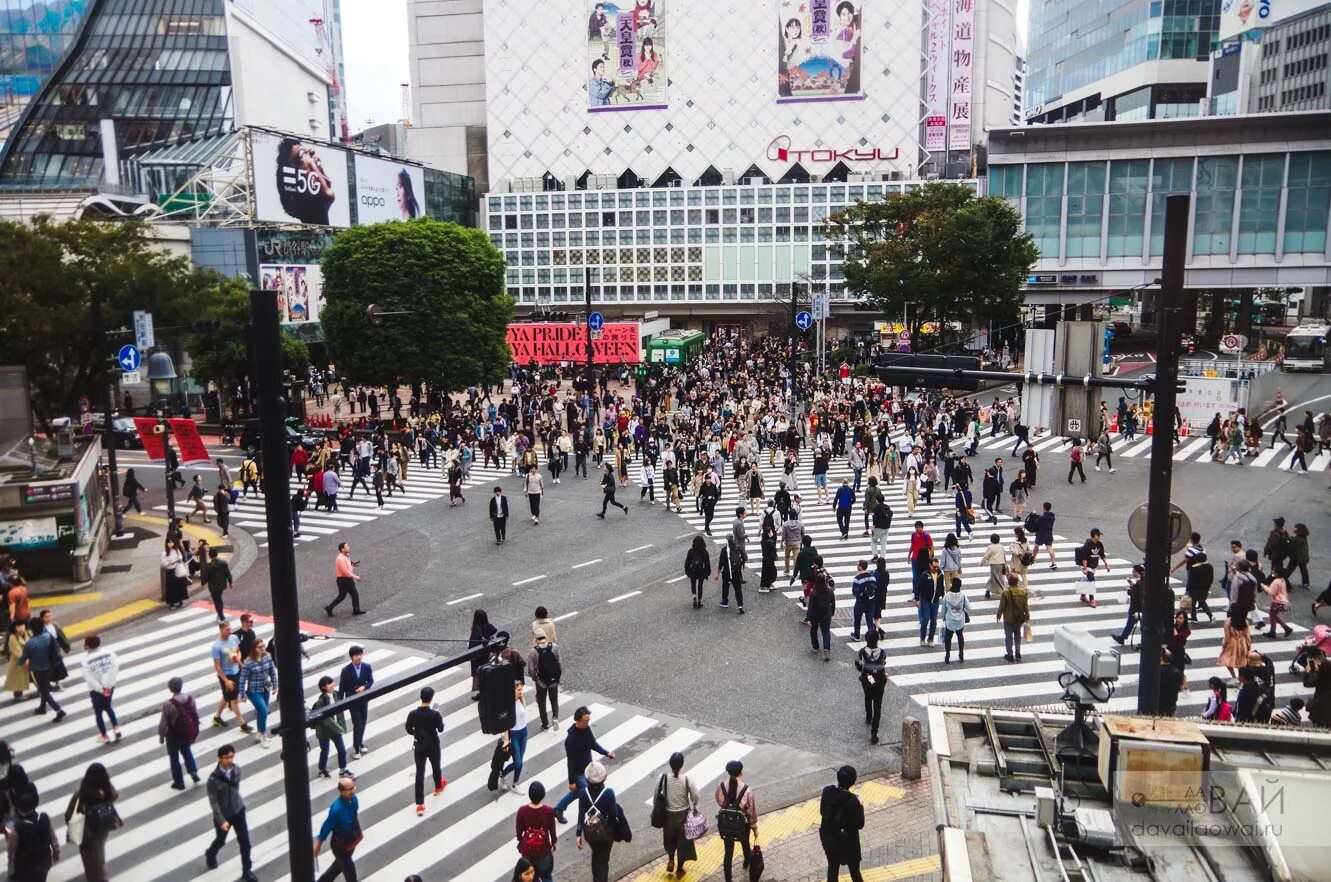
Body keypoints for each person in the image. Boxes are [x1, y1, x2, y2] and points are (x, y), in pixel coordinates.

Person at [554, 706, 616, 823]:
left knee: (578, 793)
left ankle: (558, 809)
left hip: (588, 770)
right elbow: (570, 762)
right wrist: (572, 781)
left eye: (588, 720)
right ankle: (590, 820)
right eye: (585, 721)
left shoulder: (586, 730)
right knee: (587, 797)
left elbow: (593, 744)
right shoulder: (571, 739)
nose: (587, 723)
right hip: (579, 773)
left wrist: (606, 752)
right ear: (577, 721)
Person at [205, 745, 256, 882]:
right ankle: (210, 853)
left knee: (245, 842)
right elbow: (213, 801)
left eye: (232, 756)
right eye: (227, 757)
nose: (230, 760)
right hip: (224, 815)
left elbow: (235, 790)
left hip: (238, 810)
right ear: (219, 758)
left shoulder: (237, 770)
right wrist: (221, 820)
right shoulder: (213, 779)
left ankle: (247, 870)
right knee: (221, 840)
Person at [65, 762, 117, 882]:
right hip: (103, 827)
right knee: (100, 847)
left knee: (90, 857)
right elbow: (115, 795)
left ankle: (96, 874)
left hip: (86, 832)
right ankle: (99, 865)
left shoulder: (82, 794)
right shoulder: (106, 790)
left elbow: (69, 814)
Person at [656, 751, 699, 877]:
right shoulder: (687, 779)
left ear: (670, 764)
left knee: (669, 839)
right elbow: (695, 796)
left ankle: (670, 859)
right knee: (683, 843)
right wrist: (694, 805)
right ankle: (679, 869)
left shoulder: (663, 778)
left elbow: (656, 795)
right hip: (683, 816)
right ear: (682, 765)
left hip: (668, 815)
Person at [820, 765, 866, 882]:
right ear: (853, 781)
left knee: (833, 867)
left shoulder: (827, 791)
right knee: (854, 871)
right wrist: (860, 805)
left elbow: (822, 812)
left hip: (829, 837)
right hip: (848, 841)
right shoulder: (853, 801)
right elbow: (860, 824)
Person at [714, 760, 757, 882]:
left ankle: (728, 878)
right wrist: (754, 826)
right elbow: (751, 810)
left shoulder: (721, 786)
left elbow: (719, 800)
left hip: (726, 824)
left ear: (728, 772)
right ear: (741, 772)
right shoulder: (747, 790)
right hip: (742, 825)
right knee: (745, 843)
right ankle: (746, 862)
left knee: (728, 851)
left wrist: (727, 808)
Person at [575, 761, 619, 882]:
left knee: (596, 855)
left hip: (590, 833)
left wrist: (578, 834)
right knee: (603, 862)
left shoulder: (583, 793)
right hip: (606, 833)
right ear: (604, 777)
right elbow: (614, 814)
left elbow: (581, 813)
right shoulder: (609, 793)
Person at [406, 686, 446, 815]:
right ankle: (438, 786)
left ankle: (420, 804)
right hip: (433, 745)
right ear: (431, 699)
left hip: (419, 746)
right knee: (436, 766)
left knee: (420, 773)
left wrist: (416, 734)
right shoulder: (434, 714)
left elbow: (408, 728)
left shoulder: (413, 714)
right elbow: (441, 729)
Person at [313, 776, 361, 882]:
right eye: (350, 789)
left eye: (353, 787)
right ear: (341, 791)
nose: (353, 791)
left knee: (338, 866)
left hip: (351, 840)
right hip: (340, 845)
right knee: (349, 871)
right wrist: (318, 845)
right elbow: (326, 827)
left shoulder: (354, 799)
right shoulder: (336, 810)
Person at [6, 790, 58, 882]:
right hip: (44, 861)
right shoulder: (44, 818)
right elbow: (53, 839)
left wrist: (11, 868)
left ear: (20, 810)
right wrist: (56, 854)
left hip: (26, 867)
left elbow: (11, 851)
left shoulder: (17, 828)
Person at [18, 616, 64, 720]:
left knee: (44, 691)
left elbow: (23, 658)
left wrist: (18, 665)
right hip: (50, 666)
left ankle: (59, 710)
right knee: (44, 688)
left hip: (38, 670)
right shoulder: (48, 636)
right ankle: (42, 708)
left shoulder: (30, 644)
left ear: (31, 628)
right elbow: (56, 648)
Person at [158, 679, 201, 788]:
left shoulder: (168, 704)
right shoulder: (190, 699)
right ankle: (193, 772)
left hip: (173, 734)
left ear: (170, 689)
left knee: (174, 757)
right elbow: (195, 714)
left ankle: (179, 782)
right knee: (187, 751)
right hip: (186, 733)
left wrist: (161, 736)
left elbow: (164, 722)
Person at [237, 638, 278, 748]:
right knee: (264, 711)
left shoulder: (267, 657)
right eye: (260, 647)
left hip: (265, 688)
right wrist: (242, 694)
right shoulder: (248, 662)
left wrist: (275, 685)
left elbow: (272, 671)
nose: (263, 649)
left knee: (262, 713)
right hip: (254, 690)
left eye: (263, 646)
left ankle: (260, 732)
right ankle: (263, 735)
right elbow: (242, 679)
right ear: (254, 649)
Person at [209, 620, 249, 733]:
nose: (229, 632)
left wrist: (238, 658)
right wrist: (226, 680)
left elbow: (238, 650)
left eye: (230, 629)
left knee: (227, 697)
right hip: (227, 675)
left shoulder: (234, 638)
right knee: (234, 700)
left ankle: (217, 717)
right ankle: (242, 723)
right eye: (227, 630)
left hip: (236, 671)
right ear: (221, 630)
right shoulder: (216, 646)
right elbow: (217, 666)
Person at [80, 635, 121, 743]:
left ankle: (104, 735)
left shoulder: (86, 661)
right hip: (110, 687)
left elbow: (89, 679)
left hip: (96, 690)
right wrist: (108, 686)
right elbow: (114, 669)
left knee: (98, 713)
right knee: (108, 707)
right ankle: (116, 729)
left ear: (87, 646)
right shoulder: (110, 654)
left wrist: (101, 689)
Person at [516, 781, 557, 882]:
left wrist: (521, 841)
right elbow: (552, 829)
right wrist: (554, 842)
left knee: (530, 877)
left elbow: (519, 831)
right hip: (543, 849)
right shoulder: (549, 811)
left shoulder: (522, 811)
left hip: (528, 851)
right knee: (546, 876)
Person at [339, 645, 374, 758]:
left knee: (363, 722)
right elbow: (342, 687)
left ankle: (359, 742)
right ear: (351, 657)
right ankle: (356, 748)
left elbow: (371, 681)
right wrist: (340, 703)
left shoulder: (366, 667)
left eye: (360, 654)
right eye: (356, 655)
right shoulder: (346, 670)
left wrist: (364, 687)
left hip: (364, 699)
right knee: (357, 723)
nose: (359, 657)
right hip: (352, 701)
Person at [312, 676, 350, 779]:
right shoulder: (321, 701)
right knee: (325, 751)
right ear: (324, 687)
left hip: (335, 729)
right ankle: (322, 769)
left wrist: (341, 725)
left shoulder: (335, 694)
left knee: (342, 749)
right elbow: (325, 720)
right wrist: (339, 728)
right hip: (324, 731)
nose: (333, 684)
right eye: (330, 683)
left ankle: (343, 770)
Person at [854, 631, 887, 744]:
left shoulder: (862, 652)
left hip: (867, 679)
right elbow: (883, 664)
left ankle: (869, 716)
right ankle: (874, 732)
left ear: (867, 640)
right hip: (879, 680)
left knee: (868, 697)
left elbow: (859, 666)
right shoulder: (882, 653)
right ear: (877, 640)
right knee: (878, 705)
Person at [527, 631, 562, 731]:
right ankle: (555, 718)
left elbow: (531, 669)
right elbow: (559, 663)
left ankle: (545, 724)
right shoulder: (555, 647)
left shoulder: (533, 651)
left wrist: (535, 679)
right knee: (554, 700)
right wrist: (557, 677)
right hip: (553, 680)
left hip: (541, 682)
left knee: (542, 703)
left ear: (535, 639)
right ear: (545, 637)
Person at [996, 573, 1030, 662]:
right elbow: (1025, 606)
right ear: (1017, 582)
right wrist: (1027, 616)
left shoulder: (1006, 592)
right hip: (1019, 618)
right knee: (1017, 635)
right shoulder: (1023, 592)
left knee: (1008, 636)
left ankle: (1010, 654)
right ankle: (1018, 652)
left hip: (1008, 618)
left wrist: (998, 615)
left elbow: (1002, 606)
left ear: (1009, 582)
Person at [325, 542, 365, 617]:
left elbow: (349, 565)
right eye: (346, 547)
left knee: (354, 594)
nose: (348, 547)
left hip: (348, 580)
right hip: (343, 581)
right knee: (341, 597)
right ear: (342, 549)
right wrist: (356, 577)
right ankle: (329, 608)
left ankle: (356, 610)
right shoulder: (340, 559)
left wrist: (353, 565)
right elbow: (346, 572)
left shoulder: (347, 555)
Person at [914, 558, 945, 648]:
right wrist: (917, 599)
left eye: (937, 567)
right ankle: (922, 638)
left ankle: (930, 639)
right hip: (926, 600)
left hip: (935, 600)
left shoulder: (940, 575)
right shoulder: (924, 575)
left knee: (934, 621)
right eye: (934, 567)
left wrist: (943, 596)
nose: (936, 569)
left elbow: (941, 586)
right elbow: (918, 588)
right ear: (930, 565)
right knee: (925, 619)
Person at [1075, 528, 1110, 608]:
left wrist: (1106, 564)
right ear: (1094, 535)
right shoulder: (1088, 545)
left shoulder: (1099, 544)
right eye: (1098, 535)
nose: (1100, 536)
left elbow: (1102, 555)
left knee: (1087, 580)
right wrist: (1085, 568)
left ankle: (1083, 596)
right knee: (1091, 581)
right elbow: (1084, 558)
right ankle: (1092, 600)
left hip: (1093, 566)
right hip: (1087, 566)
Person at [940, 576, 972, 664]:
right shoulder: (963, 596)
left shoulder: (947, 596)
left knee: (948, 638)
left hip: (950, 620)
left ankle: (947, 655)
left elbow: (943, 610)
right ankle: (961, 653)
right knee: (960, 636)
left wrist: (943, 617)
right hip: (960, 620)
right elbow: (969, 608)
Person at [1112, 565, 1145, 645]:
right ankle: (1123, 637)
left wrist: (1129, 591)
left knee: (1132, 623)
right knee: (1139, 624)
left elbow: (1136, 595)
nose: (1132, 573)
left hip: (1136, 607)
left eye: (1133, 571)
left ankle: (1123, 638)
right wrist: (1131, 584)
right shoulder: (1143, 581)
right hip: (1141, 607)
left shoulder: (1140, 583)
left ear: (1137, 572)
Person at [806, 570, 835, 661]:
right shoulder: (829, 591)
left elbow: (810, 607)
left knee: (813, 630)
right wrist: (832, 612)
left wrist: (809, 618)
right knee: (826, 632)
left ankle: (815, 646)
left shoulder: (813, 593)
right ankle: (826, 648)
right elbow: (833, 602)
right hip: (826, 614)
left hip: (815, 615)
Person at [850, 560, 878, 641]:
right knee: (869, 619)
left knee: (857, 619)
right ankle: (872, 636)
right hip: (870, 601)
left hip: (860, 602)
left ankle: (857, 635)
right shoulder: (872, 577)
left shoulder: (857, 579)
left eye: (858, 565)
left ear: (860, 567)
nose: (857, 566)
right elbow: (875, 587)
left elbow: (855, 592)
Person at [204, 548, 233, 622]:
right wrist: (230, 582)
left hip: (213, 586)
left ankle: (221, 616)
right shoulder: (223, 563)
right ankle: (220, 614)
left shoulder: (209, 566)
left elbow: (206, 577)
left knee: (217, 601)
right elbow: (228, 573)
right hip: (222, 584)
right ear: (217, 554)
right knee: (219, 599)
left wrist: (203, 583)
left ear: (209, 555)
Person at [162, 537, 190, 609]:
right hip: (170, 571)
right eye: (169, 543)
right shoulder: (164, 552)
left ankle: (181, 601)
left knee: (180, 586)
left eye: (172, 542)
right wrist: (171, 562)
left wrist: (178, 560)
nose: (171, 544)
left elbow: (180, 557)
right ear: (166, 543)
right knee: (172, 588)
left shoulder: (176, 550)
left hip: (178, 569)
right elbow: (163, 563)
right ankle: (172, 603)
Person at [980, 533, 1006, 600]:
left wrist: (981, 563)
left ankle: (1003, 591)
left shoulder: (990, 547)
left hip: (994, 564)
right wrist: (1005, 564)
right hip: (1001, 564)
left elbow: (986, 556)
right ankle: (988, 591)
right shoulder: (1001, 546)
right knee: (996, 577)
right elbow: (1004, 555)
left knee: (995, 578)